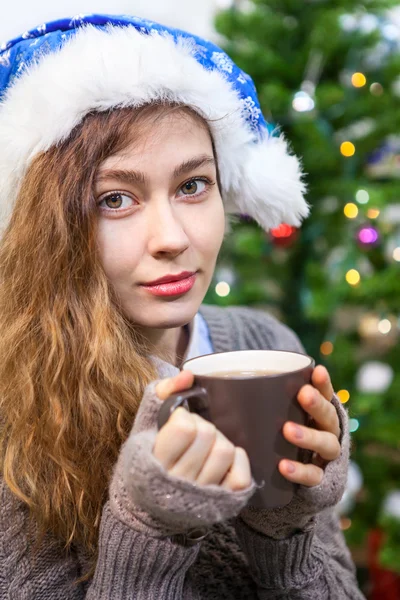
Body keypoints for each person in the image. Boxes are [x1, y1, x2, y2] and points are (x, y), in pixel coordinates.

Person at [0, 13, 365, 600]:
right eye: (115, 199)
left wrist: (285, 530)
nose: (171, 237)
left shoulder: (265, 343)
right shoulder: (13, 408)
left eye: (193, 185)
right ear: (49, 228)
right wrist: (148, 530)